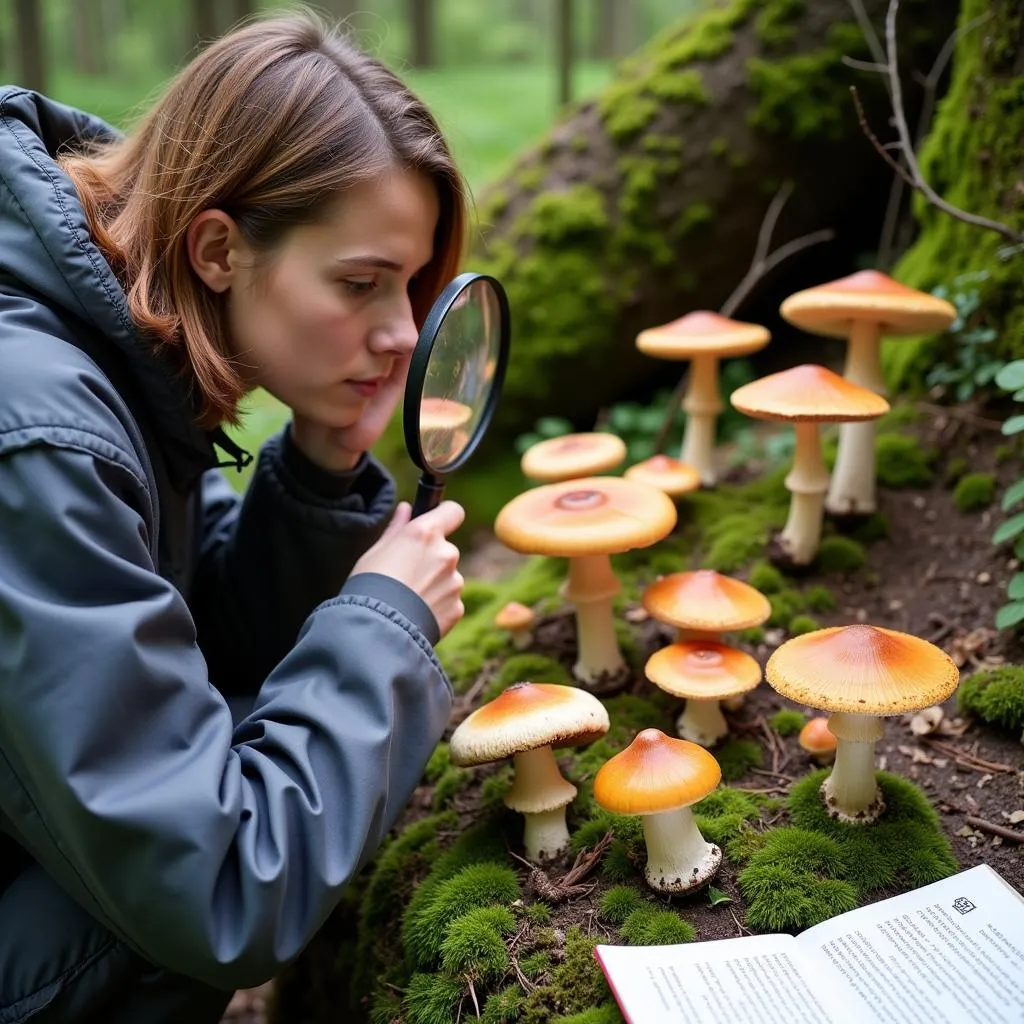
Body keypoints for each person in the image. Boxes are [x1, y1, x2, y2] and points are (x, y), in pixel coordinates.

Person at [0, 11, 471, 1022]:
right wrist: (384, 623)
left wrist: (321, 470)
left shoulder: (113, 337)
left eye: (414, 285)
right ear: (217, 247)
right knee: (160, 933)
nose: (401, 333)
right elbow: (220, 886)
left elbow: (181, 637)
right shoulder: (39, 434)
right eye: (361, 283)